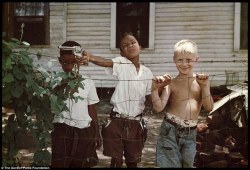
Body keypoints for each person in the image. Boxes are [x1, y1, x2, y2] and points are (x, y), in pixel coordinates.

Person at [80, 32, 153, 168]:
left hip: (136, 122)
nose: (130, 46)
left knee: (133, 161)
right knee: (116, 160)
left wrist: (160, 89)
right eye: (125, 45)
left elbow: (150, 98)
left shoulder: (147, 72)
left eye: (133, 42)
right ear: (122, 52)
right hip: (117, 121)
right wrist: (90, 58)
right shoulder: (122, 62)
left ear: (140, 46)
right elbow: (105, 62)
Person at [151, 39, 214, 168]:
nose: (184, 63)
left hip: (191, 132)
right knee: (170, 165)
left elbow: (209, 107)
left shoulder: (201, 82)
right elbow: (158, 108)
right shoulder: (171, 83)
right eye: (180, 60)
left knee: (188, 164)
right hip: (170, 130)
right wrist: (154, 89)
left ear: (196, 59)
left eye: (188, 60)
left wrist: (205, 86)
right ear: (174, 59)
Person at [51, 41, 101, 168]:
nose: (69, 67)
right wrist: (65, 83)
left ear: (81, 61)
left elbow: (92, 109)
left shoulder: (88, 82)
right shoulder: (53, 80)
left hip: (84, 130)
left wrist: (97, 132)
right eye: (65, 62)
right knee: (60, 162)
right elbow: (51, 96)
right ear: (59, 61)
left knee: (81, 163)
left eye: (74, 63)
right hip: (61, 130)